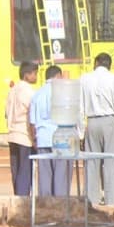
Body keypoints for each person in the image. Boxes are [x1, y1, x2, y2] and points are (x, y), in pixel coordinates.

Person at [80, 52, 114, 206]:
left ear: (96, 62)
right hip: (110, 120)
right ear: (109, 65)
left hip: (91, 121)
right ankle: (113, 201)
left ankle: (92, 201)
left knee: (92, 162)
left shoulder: (84, 78)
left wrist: (80, 131)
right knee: (111, 161)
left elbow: (80, 107)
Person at [27, 65, 71, 196]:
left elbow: (32, 122)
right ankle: (61, 207)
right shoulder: (62, 93)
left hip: (43, 138)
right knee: (61, 176)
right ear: (58, 76)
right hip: (61, 138)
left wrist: (34, 140)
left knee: (45, 177)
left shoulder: (37, 94)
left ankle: (45, 208)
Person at [4, 61, 37, 196]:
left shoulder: (12, 90)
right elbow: (32, 116)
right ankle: (22, 203)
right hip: (24, 136)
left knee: (16, 171)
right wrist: (34, 137)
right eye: (34, 74)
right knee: (25, 171)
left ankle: (17, 199)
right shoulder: (28, 91)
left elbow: (6, 113)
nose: (36, 77)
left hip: (12, 135)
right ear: (26, 75)